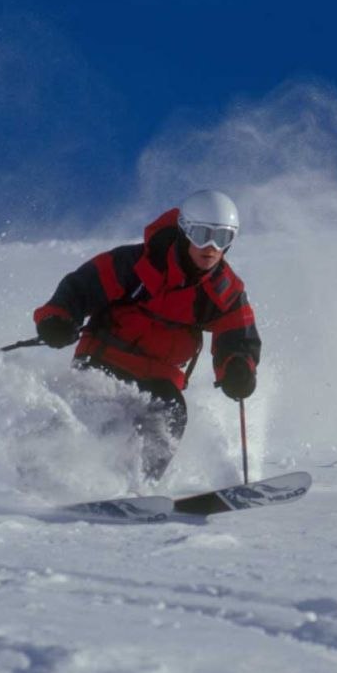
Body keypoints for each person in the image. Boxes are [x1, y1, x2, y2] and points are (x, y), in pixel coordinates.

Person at [33, 189, 261, 481]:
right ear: (186, 231)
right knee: (99, 415)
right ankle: (45, 469)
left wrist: (238, 367)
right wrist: (57, 320)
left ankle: (140, 486)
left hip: (160, 378)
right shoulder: (135, 264)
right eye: (203, 234)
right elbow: (80, 288)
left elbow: (238, 336)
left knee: (171, 410)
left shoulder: (224, 291)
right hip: (105, 361)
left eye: (224, 238)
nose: (212, 246)